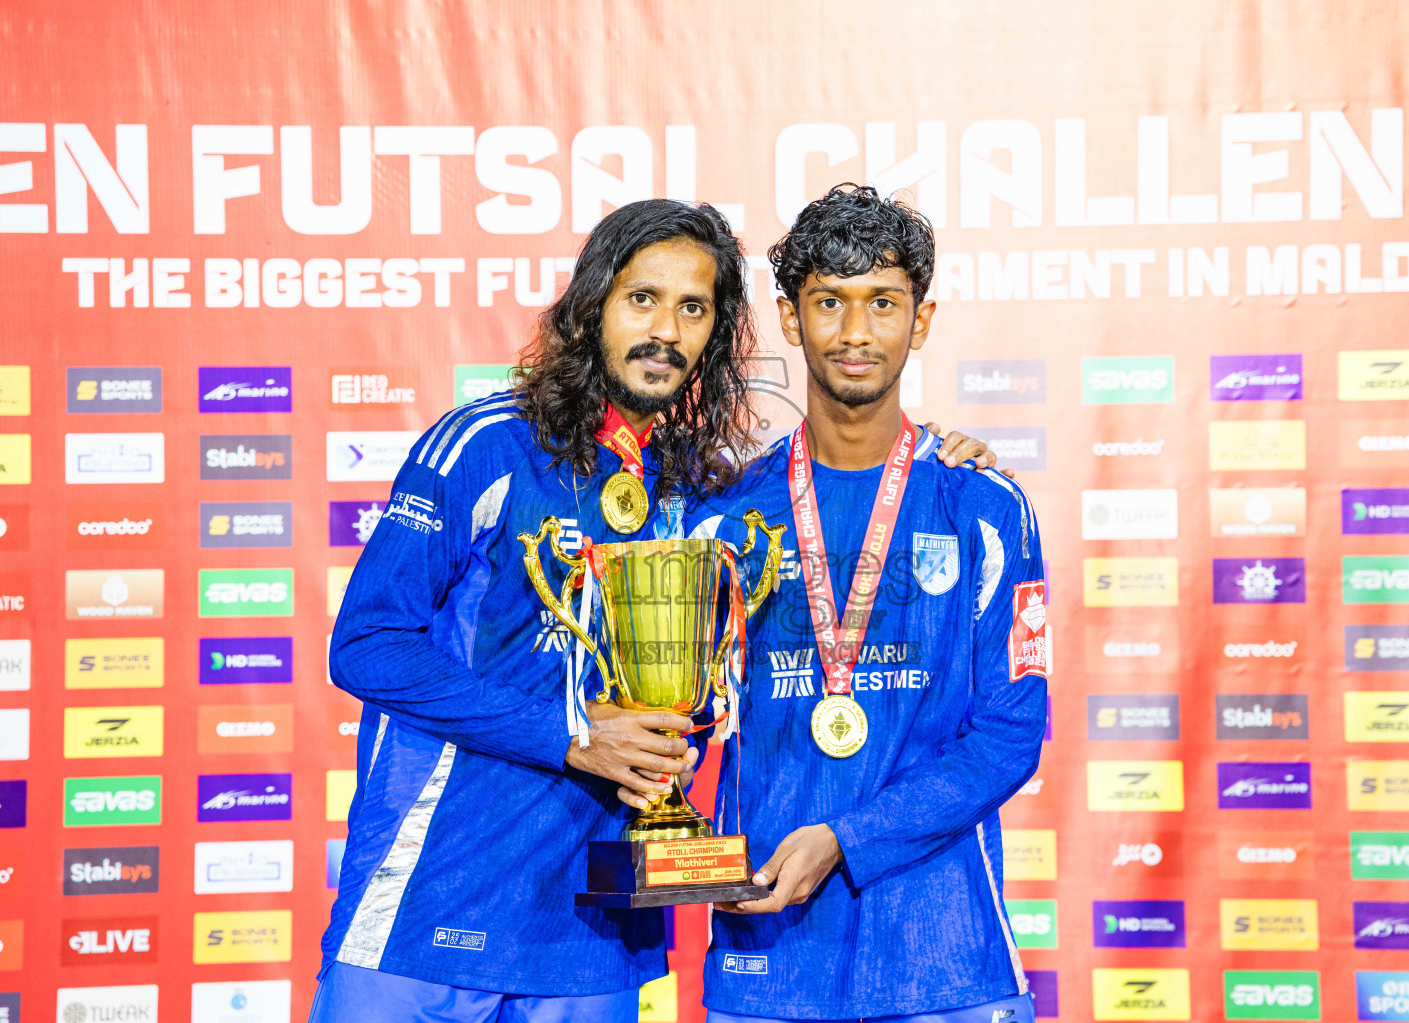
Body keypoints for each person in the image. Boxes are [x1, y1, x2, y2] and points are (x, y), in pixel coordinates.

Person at [314, 197, 1006, 1023]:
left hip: (598, 935)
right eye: (642, 299)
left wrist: (941, 462)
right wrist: (573, 735)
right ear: (591, 305)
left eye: (693, 309)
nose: (667, 330)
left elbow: (718, 679)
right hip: (430, 907)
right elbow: (366, 643)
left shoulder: (702, 492)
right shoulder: (484, 445)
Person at [689, 185, 1050, 1022]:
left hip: (944, 967)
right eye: (829, 304)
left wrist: (844, 841)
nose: (855, 334)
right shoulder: (722, 517)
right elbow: (685, 714)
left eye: (883, 304)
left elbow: (1008, 735)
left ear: (919, 323)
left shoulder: (983, 507)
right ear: (789, 318)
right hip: (767, 964)